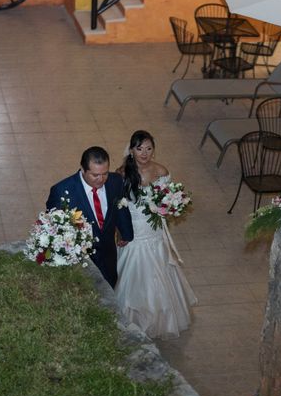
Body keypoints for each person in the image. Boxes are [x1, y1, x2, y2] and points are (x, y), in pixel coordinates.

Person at [115, 130, 197, 339]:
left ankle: (161, 315)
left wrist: (170, 206)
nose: (144, 153)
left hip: (154, 229)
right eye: (139, 148)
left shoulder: (161, 170)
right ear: (131, 150)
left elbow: (168, 196)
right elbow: (117, 206)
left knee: (160, 268)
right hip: (134, 227)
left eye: (149, 148)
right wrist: (120, 230)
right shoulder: (122, 173)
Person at [46, 146, 134, 289]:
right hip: (80, 260)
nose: (101, 179)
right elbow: (54, 229)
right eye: (95, 175)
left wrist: (126, 232)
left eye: (105, 173)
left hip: (108, 255)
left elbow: (121, 207)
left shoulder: (115, 181)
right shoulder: (62, 191)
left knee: (109, 291)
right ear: (82, 169)